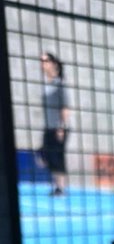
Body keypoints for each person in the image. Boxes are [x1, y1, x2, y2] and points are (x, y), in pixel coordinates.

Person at [40, 51, 70, 195]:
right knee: (45, 155)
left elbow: (65, 107)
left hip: (58, 127)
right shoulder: (47, 85)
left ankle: (60, 188)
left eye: (45, 60)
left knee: (58, 156)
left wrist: (61, 127)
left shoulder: (60, 84)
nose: (42, 64)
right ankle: (56, 185)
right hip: (48, 127)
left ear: (53, 63)